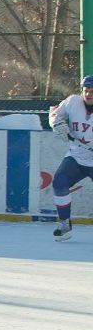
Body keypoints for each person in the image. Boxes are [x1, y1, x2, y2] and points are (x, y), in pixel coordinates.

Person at [48, 74, 93, 241]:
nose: (89, 94)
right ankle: (65, 224)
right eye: (86, 90)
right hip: (77, 156)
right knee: (59, 181)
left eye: (92, 91)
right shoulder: (72, 102)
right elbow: (54, 113)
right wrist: (57, 124)